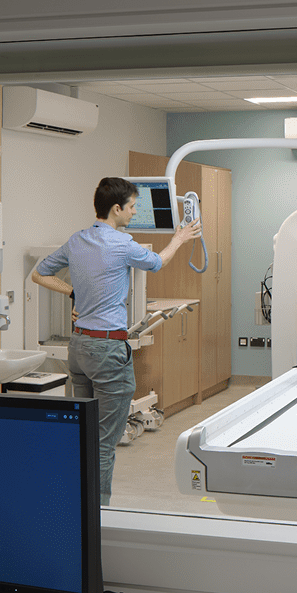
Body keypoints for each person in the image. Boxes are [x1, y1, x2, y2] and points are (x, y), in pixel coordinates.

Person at [31, 177, 201, 504]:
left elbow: (39, 273)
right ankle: (98, 515)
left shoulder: (77, 240)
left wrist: (74, 293)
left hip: (79, 349)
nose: (135, 212)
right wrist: (180, 237)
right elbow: (158, 262)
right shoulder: (122, 244)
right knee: (104, 443)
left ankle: (75, 506)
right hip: (108, 350)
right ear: (116, 209)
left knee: (84, 434)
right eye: (133, 207)